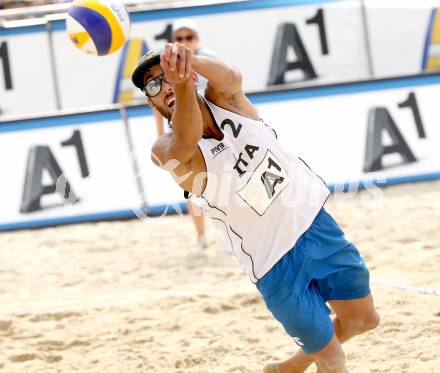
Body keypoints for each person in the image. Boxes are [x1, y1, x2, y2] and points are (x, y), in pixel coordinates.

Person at [131, 43, 380, 372]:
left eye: (167, 75)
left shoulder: (226, 101)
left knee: (364, 320)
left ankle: (287, 368)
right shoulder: (164, 150)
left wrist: (192, 62)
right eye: (154, 84)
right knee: (332, 358)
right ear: (151, 101)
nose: (164, 85)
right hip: (273, 265)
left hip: (314, 225)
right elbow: (188, 138)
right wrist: (181, 83)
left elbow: (232, 76)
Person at [152, 18, 216, 250]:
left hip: (211, 129)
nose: (183, 42)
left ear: (197, 39)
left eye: (188, 37)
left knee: (226, 184)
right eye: (179, 38)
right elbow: (157, 103)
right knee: (193, 189)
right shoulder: (165, 65)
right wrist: (160, 136)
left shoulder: (209, 61)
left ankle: (227, 235)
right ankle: (201, 236)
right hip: (182, 132)